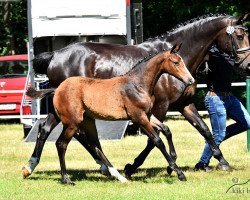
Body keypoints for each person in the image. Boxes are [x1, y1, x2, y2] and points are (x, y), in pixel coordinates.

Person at [194, 45, 250, 171]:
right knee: (219, 134)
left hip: (230, 98)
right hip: (215, 99)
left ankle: (212, 140)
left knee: (247, 123)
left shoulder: (231, 54)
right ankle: (201, 164)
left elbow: (240, 66)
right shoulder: (211, 52)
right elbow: (201, 64)